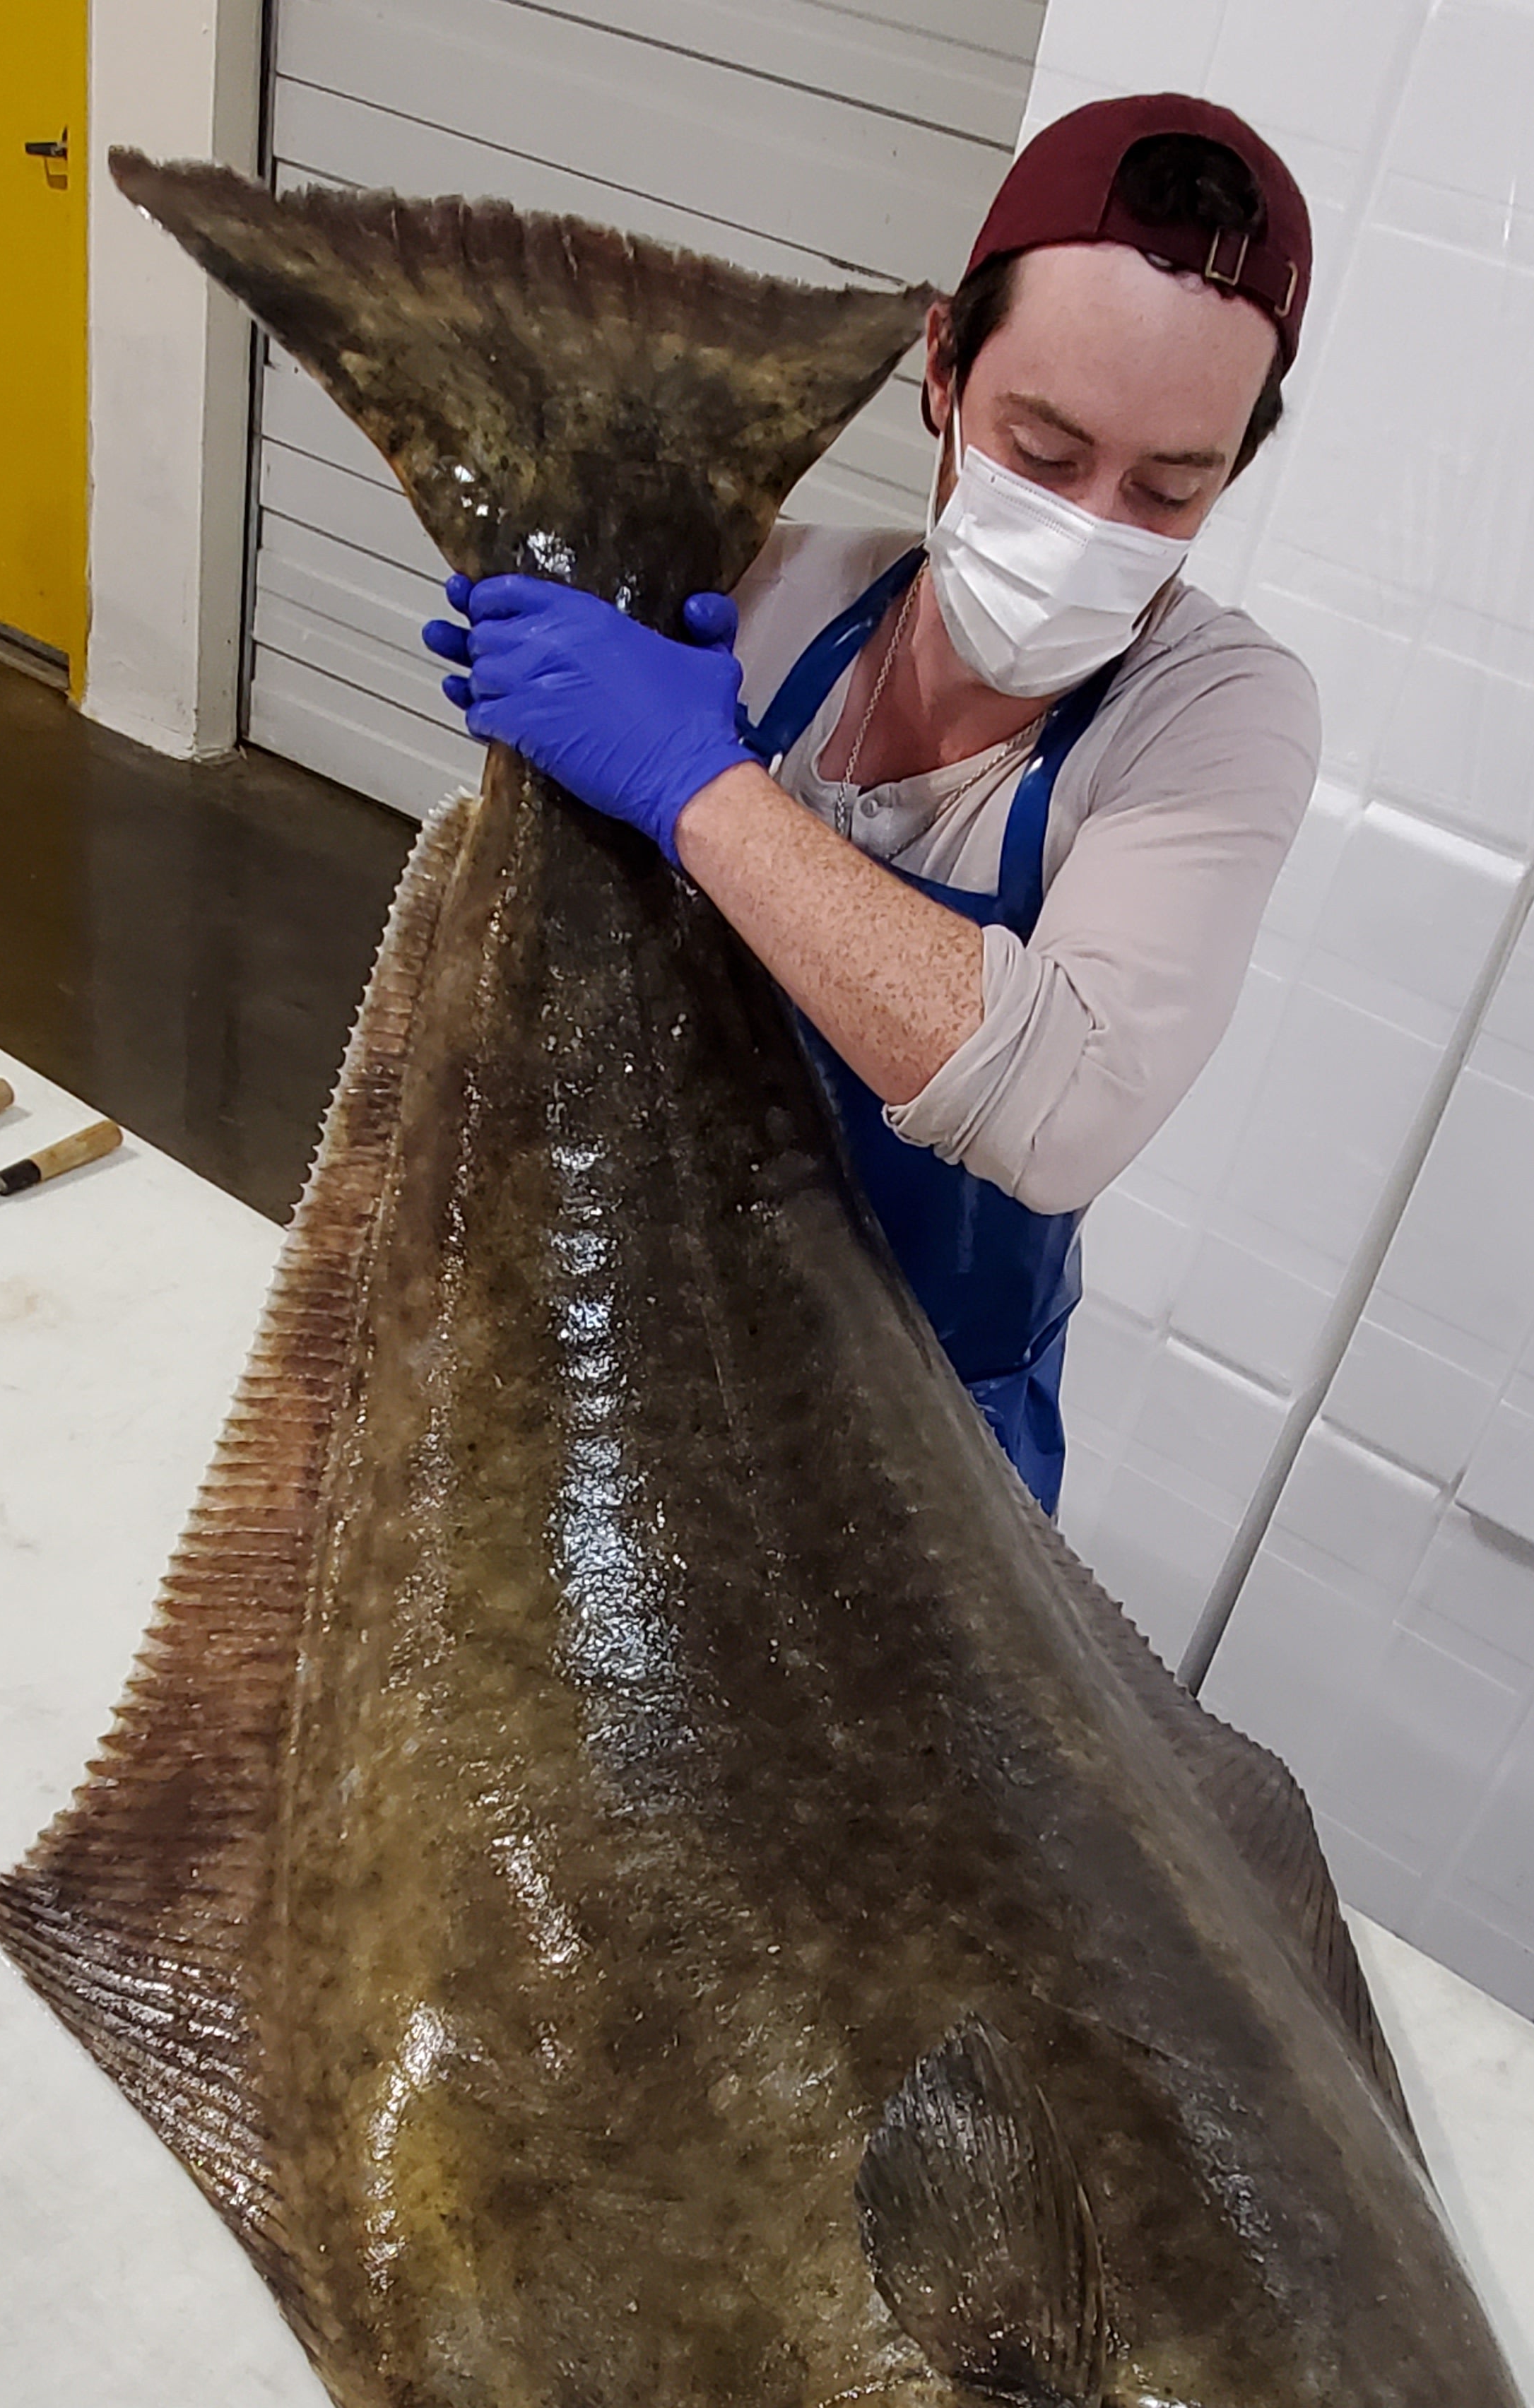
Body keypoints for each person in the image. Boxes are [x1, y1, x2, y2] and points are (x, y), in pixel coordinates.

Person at [423, 95, 1320, 1516]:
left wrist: (696, 784)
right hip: (641, 1333)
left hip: (925, 1445)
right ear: (943, 372)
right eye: (1043, 448)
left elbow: (1061, 1108)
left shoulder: (1214, 714)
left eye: (1167, 488)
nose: (1092, 524)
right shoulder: (781, 593)